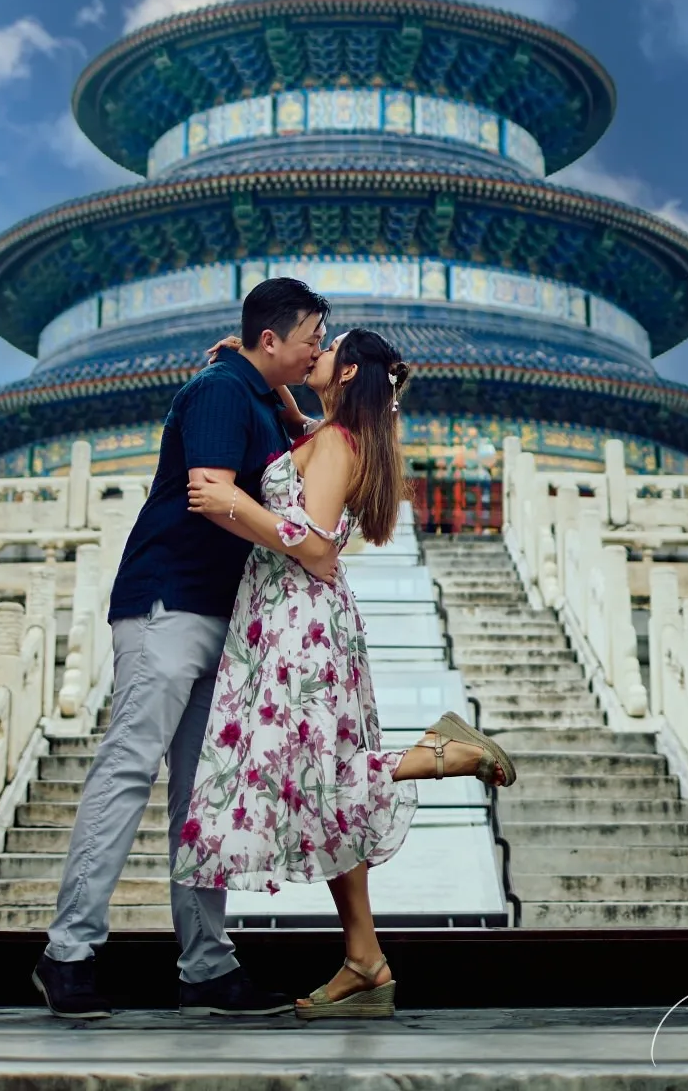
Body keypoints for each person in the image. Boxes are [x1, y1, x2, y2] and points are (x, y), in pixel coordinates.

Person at [174, 327, 516, 1020]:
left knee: (315, 776)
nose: (314, 354)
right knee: (323, 789)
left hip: (297, 620)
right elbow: (303, 446)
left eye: (325, 350)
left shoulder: (335, 445)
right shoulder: (334, 435)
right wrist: (258, 370)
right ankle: (363, 958)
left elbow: (313, 541)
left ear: (347, 368)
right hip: (296, 618)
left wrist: (232, 505)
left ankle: (448, 755)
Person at [32, 276, 331, 1020]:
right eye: (310, 339)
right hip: (169, 604)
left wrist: (295, 406)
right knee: (128, 768)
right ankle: (67, 952)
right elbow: (208, 489)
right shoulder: (220, 393)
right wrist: (304, 550)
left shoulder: (259, 399)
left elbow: (321, 449)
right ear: (271, 339)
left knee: (204, 798)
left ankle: (205, 965)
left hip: (223, 616)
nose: (315, 351)